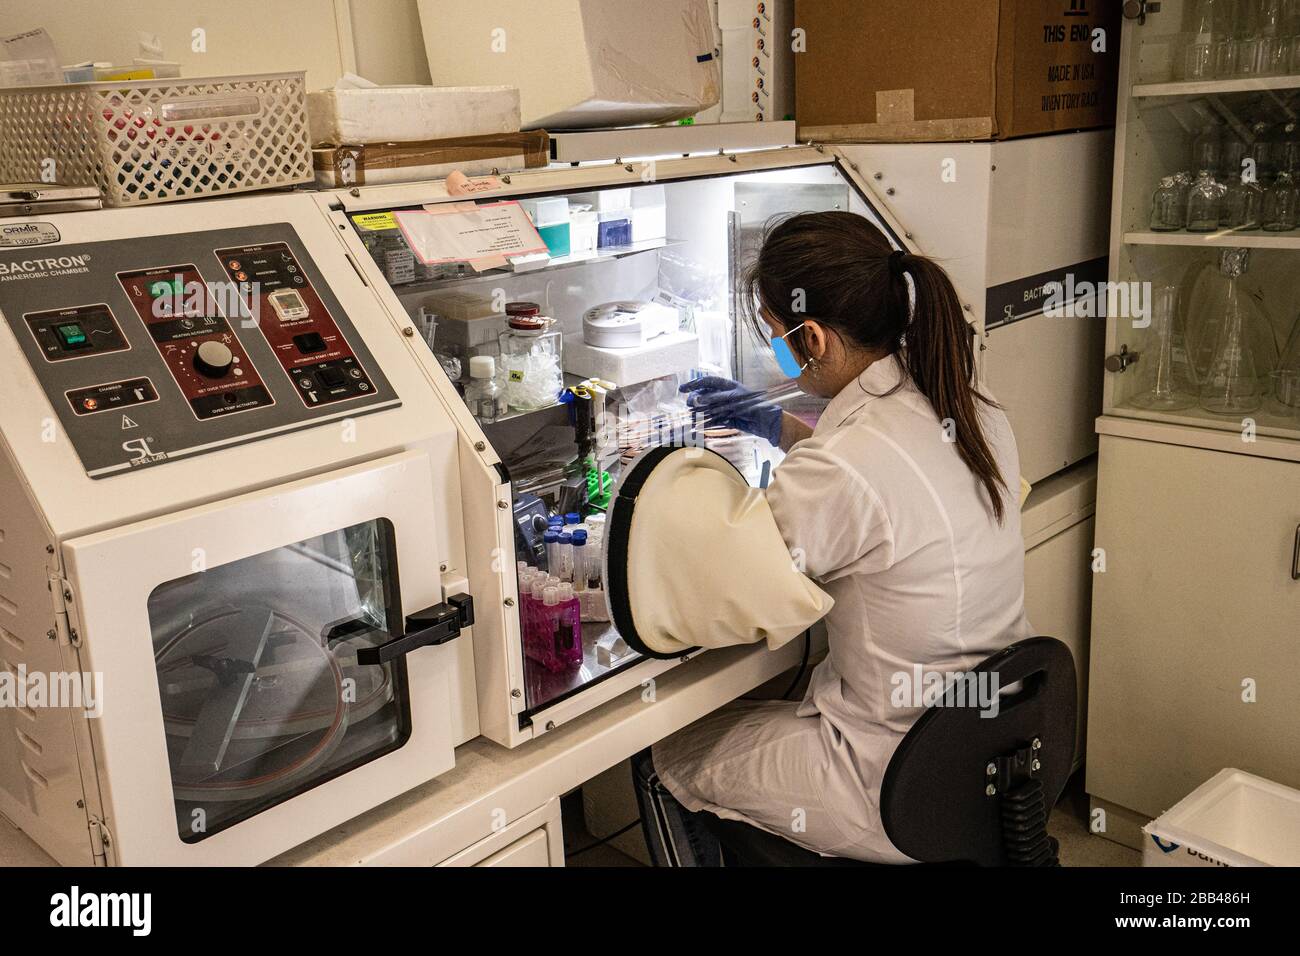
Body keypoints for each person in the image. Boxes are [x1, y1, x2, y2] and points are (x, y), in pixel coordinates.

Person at [633, 211, 1033, 864]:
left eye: (775, 337)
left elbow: (731, 588)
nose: (776, 354)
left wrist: (648, 511)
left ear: (810, 336)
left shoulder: (845, 466)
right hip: (979, 743)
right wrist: (777, 425)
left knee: (665, 758)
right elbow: (886, 487)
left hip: (891, 775)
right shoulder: (963, 398)